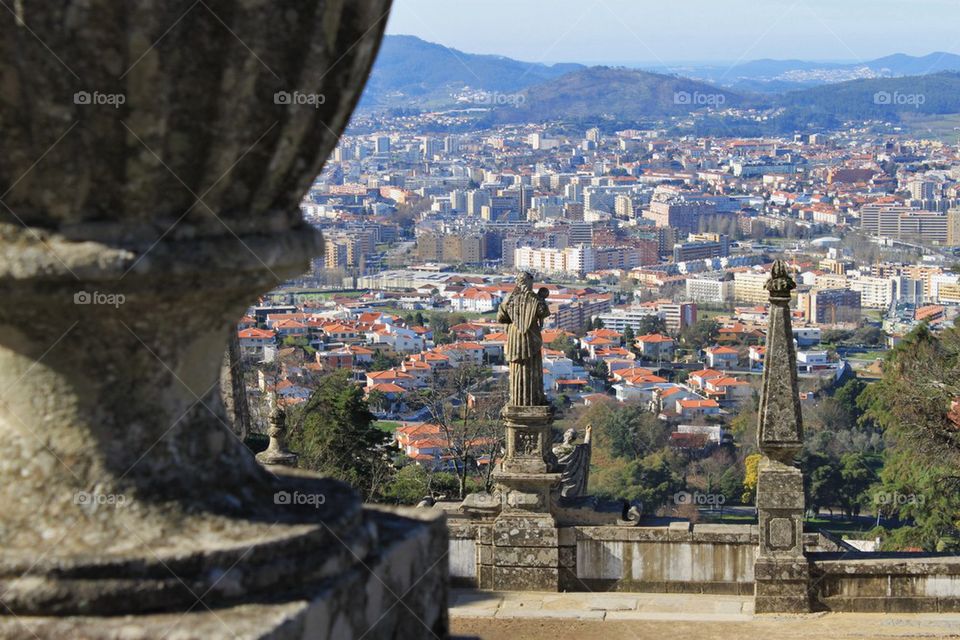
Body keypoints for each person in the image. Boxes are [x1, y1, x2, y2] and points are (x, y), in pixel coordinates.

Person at [497, 272, 550, 406]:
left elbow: (500, 317)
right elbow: (543, 312)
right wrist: (541, 299)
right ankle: (534, 399)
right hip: (531, 335)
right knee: (533, 365)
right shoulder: (535, 299)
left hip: (515, 335)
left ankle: (517, 400)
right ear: (529, 283)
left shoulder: (509, 298)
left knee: (517, 366)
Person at [553, 424, 592, 499]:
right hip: (574, 482)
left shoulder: (555, 450)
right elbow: (587, 447)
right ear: (573, 438)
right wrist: (588, 433)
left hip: (559, 481)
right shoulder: (577, 449)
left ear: (565, 436)